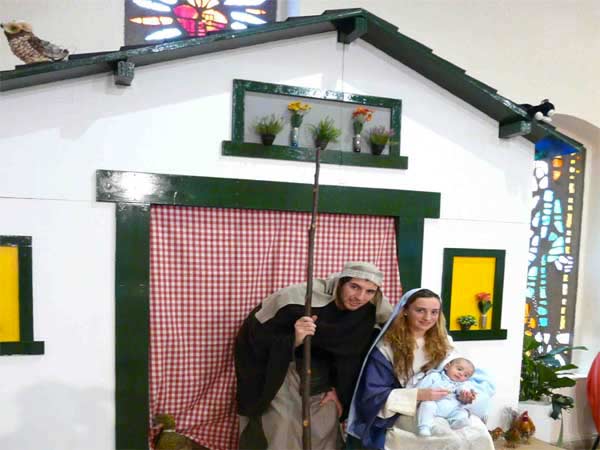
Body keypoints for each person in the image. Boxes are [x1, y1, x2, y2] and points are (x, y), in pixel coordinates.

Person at [235, 262, 393, 450]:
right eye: (354, 287)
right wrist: (294, 339)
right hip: (280, 368)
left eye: (369, 291)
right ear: (341, 282)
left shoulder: (369, 312)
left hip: (323, 373)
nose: (360, 297)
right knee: (283, 425)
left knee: (325, 422)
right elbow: (255, 338)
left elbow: (352, 357)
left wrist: (338, 390)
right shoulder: (297, 299)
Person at [346, 288, 495, 450]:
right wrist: (419, 395)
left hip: (447, 406)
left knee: (479, 433)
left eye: (434, 312)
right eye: (420, 310)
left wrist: (465, 395)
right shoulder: (387, 348)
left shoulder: (444, 342)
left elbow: (463, 375)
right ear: (405, 311)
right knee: (449, 438)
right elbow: (373, 395)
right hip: (405, 410)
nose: (428, 318)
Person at [416, 357, 476, 436]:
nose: (461, 374)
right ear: (447, 366)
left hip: (451, 410)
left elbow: (464, 392)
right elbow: (420, 389)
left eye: (466, 375)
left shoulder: (462, 384)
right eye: (459, 369)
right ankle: (424, 427)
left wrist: (466, 394)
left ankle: (456, 422)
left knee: (462, 412)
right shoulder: (435, 376)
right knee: (427, 405)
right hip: (435, 404)